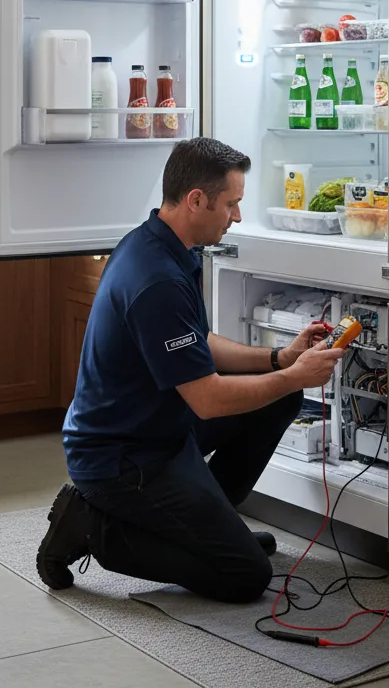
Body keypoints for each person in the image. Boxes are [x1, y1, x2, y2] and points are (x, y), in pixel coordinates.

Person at [36, 138, 344, 603]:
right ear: (196, 200)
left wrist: (280, 359)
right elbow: (208, 400)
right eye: (231, 204)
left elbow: (197, 343)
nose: (236, 216)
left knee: (279, 399)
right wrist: (297, 376)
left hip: (161, 428)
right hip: (122, 459)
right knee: (245, 576)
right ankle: (95, 527)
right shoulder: (156, 279)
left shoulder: (162, 244)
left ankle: (202, 527)